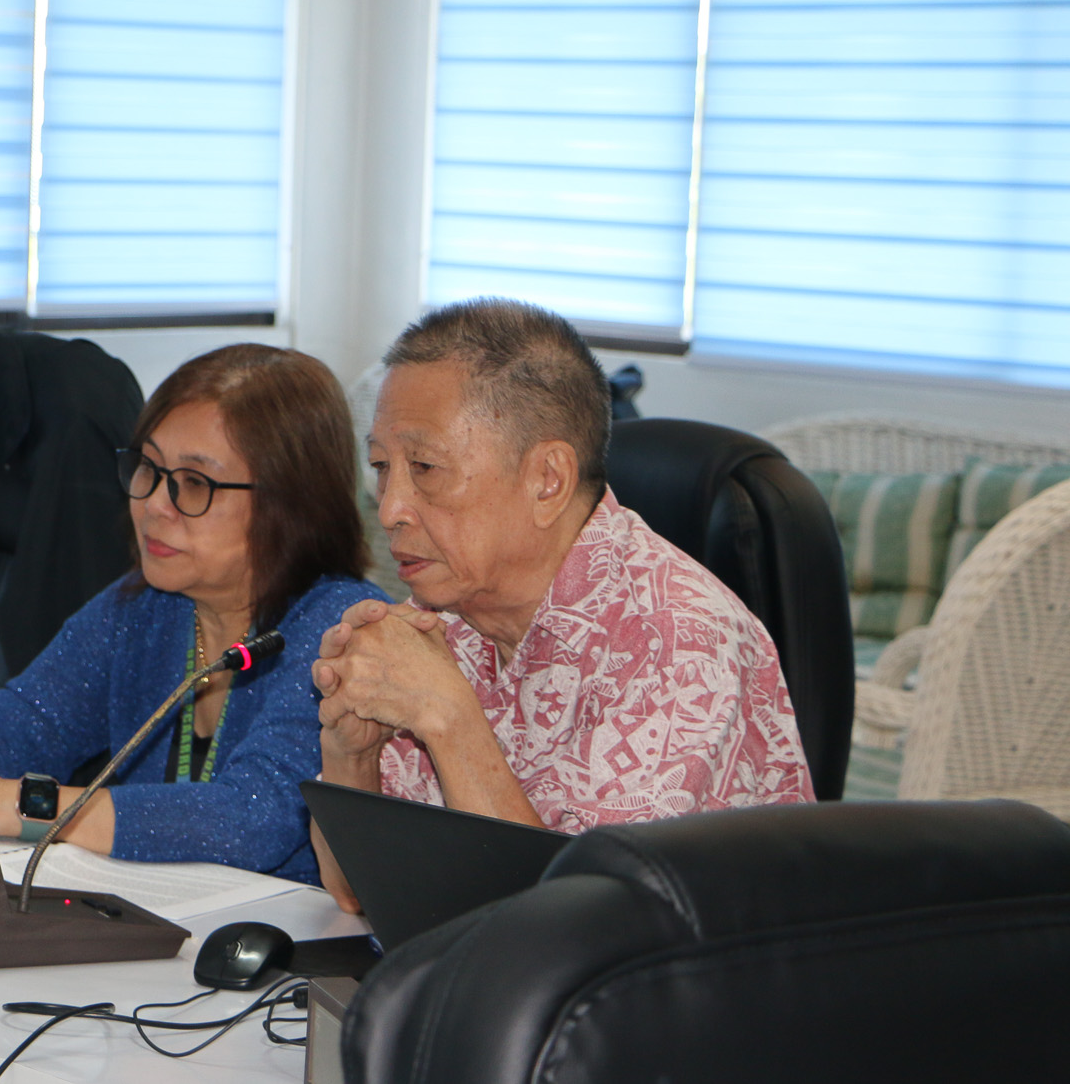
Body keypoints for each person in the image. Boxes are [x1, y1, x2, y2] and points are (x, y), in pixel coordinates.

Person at [312, 299, 813, 912]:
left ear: (547, 479)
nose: (391, 508)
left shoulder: (679, 640)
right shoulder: (446, 618)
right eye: (381, 468)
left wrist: (448, 718)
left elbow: (569, 933)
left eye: (424, 467)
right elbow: (355, 894)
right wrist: (351, 754)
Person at [0, 344, 384, 883]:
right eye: (148, 469)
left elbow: (250, 821)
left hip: (287, 952)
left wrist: (13, 804)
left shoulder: (346, 629)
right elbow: (15, 730)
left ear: (291, 504)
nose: (154, 505)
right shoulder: (141, 609)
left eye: (194, 484)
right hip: (153, 928)